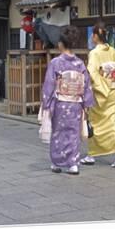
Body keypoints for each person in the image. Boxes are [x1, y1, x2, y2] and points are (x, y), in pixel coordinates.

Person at [40, 25, 94, 175]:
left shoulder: (56, 63)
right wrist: (86, 104)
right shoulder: (80, 64)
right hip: (76, 104)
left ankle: (57, 163)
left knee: (58, 133)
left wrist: (46, 103)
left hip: (60, 103)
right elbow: (86, 85)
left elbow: (49, 84)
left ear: (60, 44)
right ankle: (73, 164)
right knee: (73, 134)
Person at [80, 21, 115, 168]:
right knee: (113, 122)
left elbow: (93, 73)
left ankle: (91, 154)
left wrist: (99, 87)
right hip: (112, 90)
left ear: (95, 36)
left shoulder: (94, 53)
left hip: (99, 92)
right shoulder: (112, 50)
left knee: (95, 122)